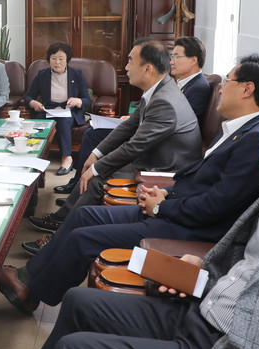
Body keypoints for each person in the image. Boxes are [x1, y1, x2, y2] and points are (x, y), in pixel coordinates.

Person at [39, 89, 259, 349]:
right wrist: (203, 267)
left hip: (228, 339)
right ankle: (31, 286)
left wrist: (162, 207)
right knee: (77, 301)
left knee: (73, 347)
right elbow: (250, 263)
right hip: (203, 307)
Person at [0, 55, 259, 308]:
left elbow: (217, 206)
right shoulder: (239, 129)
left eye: (228, 81)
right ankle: (27, 277)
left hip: (187, 228)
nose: (221, 89)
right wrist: (165, 195)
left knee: (83, 238)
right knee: (84, 215)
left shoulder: (254, 139)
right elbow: (202, 180)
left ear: (247, 89)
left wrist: (162, 206)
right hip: (175, 207)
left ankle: (32, 291)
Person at [29, 39, 203, 232]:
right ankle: (60, 221)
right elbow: (129, 126)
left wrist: (96, 167)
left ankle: (62, 233)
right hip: (152, 158)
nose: (126, 67)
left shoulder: (164, 101)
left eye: (130, 61)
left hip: (164, 169)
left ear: (147, 69)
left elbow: (134, 146)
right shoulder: (159, 89)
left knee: (97, 178)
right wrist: (96, 154)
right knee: (96, 169)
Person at [54, 36, 211, 195]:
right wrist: (96, 155)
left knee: (98, 166)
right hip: (155, 144)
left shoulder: (191, 89)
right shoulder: (164, 86)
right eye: (172, 56)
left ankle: (75, 193)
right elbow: (137, 123)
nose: (172, 62)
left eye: (177, 57)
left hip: (164, 161)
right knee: (96, 142)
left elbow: (168, 125)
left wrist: (96, 167)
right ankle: (75, 190)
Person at [25, 42, 91, 175]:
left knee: (61, 121)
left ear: (67, 60)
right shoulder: (42, 75)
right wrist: (34, 103)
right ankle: (33, 159)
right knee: (36, 123)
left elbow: (87, 99)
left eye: (61, 58)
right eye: (54, 58)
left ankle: (67, 158)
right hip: (48, 110)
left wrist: (77, 101)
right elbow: (28, 96)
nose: (57, 62)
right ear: (48, 59)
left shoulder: (77, 74)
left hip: (69, 112)